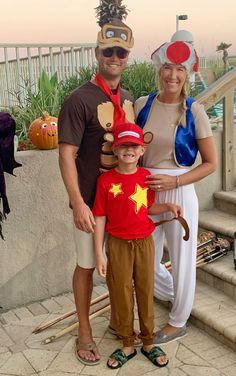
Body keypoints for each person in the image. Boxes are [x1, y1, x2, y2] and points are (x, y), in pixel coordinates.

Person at [58, 1, 135, 365]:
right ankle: (84, 329)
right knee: (87, 265)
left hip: (123, 204)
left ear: (127, 56)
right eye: (109, 51)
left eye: (121, 52)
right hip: (90, 203)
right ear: (97, 53)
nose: (114, 57)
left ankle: (121, 321)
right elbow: (66, 154)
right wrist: (77, 202)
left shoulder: (130, 101)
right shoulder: (78, 99)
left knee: (119, 265)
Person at [134, 40, 217, 345]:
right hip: (146, 191)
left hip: (180, 191)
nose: (172, 75)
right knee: (147, 258)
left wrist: (176, 183)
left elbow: (210, 164)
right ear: (159, 70)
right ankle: (177, 294)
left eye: (179, 68)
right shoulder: (143, 104)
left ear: (187, 73)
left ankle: (178, 320)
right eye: (167, 67)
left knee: (182, 259)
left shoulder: (194, 109)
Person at [93, 122, 182, 369]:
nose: (128, 150)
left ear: (141, 150)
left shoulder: (146, 179)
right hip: (118, 245)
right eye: (123, 146)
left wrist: (168, 207)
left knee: (145, 290)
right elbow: (100, 216)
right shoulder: (105, 181)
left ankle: (148, 342)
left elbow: (148, 208)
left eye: (134, 146)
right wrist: (99, 253)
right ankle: (127, 343)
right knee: (120, 292)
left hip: (144, 242)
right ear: (115, 149)